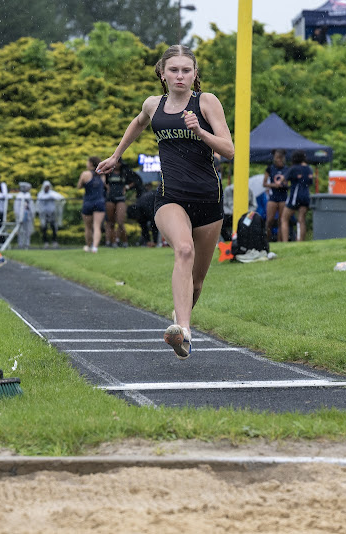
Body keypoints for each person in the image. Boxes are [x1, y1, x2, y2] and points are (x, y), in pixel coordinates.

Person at [97, 44, 234, 360]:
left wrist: (199, 130)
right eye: (174, 70)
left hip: (208, 201)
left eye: (187, 70)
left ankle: (181, 323)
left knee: (196, 283)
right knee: (183, 250)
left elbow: (229, 149)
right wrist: (117, 156)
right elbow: (139, 122)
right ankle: (183, 329)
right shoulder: (153, 104)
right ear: (162, 74)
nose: (180, 76)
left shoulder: (207, 102)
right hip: (170, 198)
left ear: (195, 74)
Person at [281, 150, 312, 242]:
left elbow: (283, 180)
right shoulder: (309, 168)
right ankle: (301, 241)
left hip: (295, 195)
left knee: (284, 219)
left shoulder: (293, 168)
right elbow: (310, 182)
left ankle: (285, 241)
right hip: (306, 195)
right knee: (301, 219)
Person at [77, 156, 106, 253]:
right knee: (97, 226)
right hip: (99, 202)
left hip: (88, 202)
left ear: (90, 163)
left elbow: (79, 186)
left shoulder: (85, 174)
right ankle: (95, 247)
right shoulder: (102, 175)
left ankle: (88, 245)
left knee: (88, 227)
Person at [262, 149, 288, 242]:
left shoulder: (286, 169)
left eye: (281, 158)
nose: (279, 160)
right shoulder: (270, 168)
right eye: (277, 158)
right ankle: (266, 240)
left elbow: (289, 183)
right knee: (269, 221)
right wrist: (274, 185)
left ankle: (279, 240)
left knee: (282, 220)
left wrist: (283, 185)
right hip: (273, 197)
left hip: (283, 196)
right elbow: (264, 183)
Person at [37, 180, 65, 248]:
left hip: (52, 213)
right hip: (44, 214)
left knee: (53, 227)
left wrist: (51, 197)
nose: (47, 188)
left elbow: (60, 197)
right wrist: (49, 197)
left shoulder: (52, 193)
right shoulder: (41, 194)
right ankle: (45, 242)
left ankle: (54, 241)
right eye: (46, 187)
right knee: (44, 228)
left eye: (48, 187)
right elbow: (40, 199)